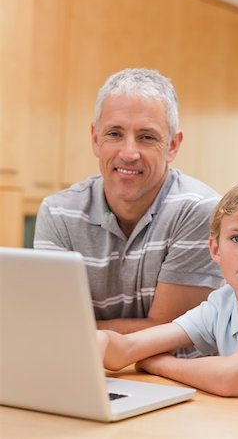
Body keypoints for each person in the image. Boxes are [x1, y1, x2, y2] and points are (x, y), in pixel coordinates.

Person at [34, 68, 223, 355]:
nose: (129, 153)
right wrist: (63, 331)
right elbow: (53, 324)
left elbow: (170, 330)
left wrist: (76, 330)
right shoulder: (58, 212)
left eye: (146, 137)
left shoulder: (198, 210)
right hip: (88, 373)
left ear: (172, 145)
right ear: (96, 139)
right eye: (115, 134)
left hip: (177, 381)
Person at [98, 177, 238, 424]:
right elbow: (126, 349)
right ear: (215, 250)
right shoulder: (221, 304)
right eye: (237, 238)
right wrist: (98, 340)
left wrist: (159, 364)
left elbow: (232, 377)